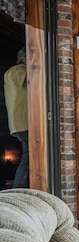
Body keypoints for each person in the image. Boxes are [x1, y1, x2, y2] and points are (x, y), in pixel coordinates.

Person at [4, 47, 28, 188]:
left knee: (28, 158)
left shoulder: (15, 72)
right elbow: (34, 76)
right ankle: (19, 189)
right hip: (24, 122)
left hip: (21, 123)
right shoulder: (16, 71)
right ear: (24, 59)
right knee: (28, 159)